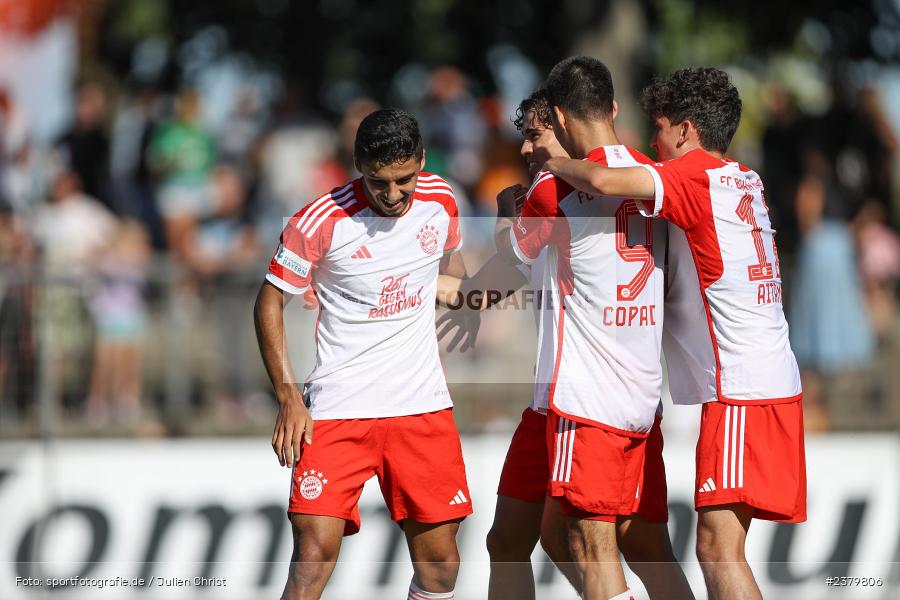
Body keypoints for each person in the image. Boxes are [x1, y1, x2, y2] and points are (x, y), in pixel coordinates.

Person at [543, 67, 806, 600]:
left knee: (717, 550)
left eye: (660, 130)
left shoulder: (694, 177)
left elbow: (601, 180)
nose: (654, 145)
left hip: (741, 390)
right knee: (719, 547)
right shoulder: (744, 178)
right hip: (771, 380)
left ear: (686, 130)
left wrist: (552, 162)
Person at [451, 57, 690, 600]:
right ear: (612, 107)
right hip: (609, 398)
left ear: (559, 121)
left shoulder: (552, 192)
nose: (526, 149)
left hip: (585, 403)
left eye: (536, 134)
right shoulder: (654, 176)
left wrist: (506, 209)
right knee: (516, 539)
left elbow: (506, 255)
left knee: (590, 543)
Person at [254, 108, 475, 600]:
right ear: (358, 165)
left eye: (404, 179)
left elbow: (450, 258)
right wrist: (289, 396)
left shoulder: (441, 199)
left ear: (421, 160)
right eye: (378, 182)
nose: (393, 194)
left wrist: (456, 290)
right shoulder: (319, 219)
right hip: (337, 410)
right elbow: (269, 299)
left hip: (420, 408)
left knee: (441, 565)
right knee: (312, 556)